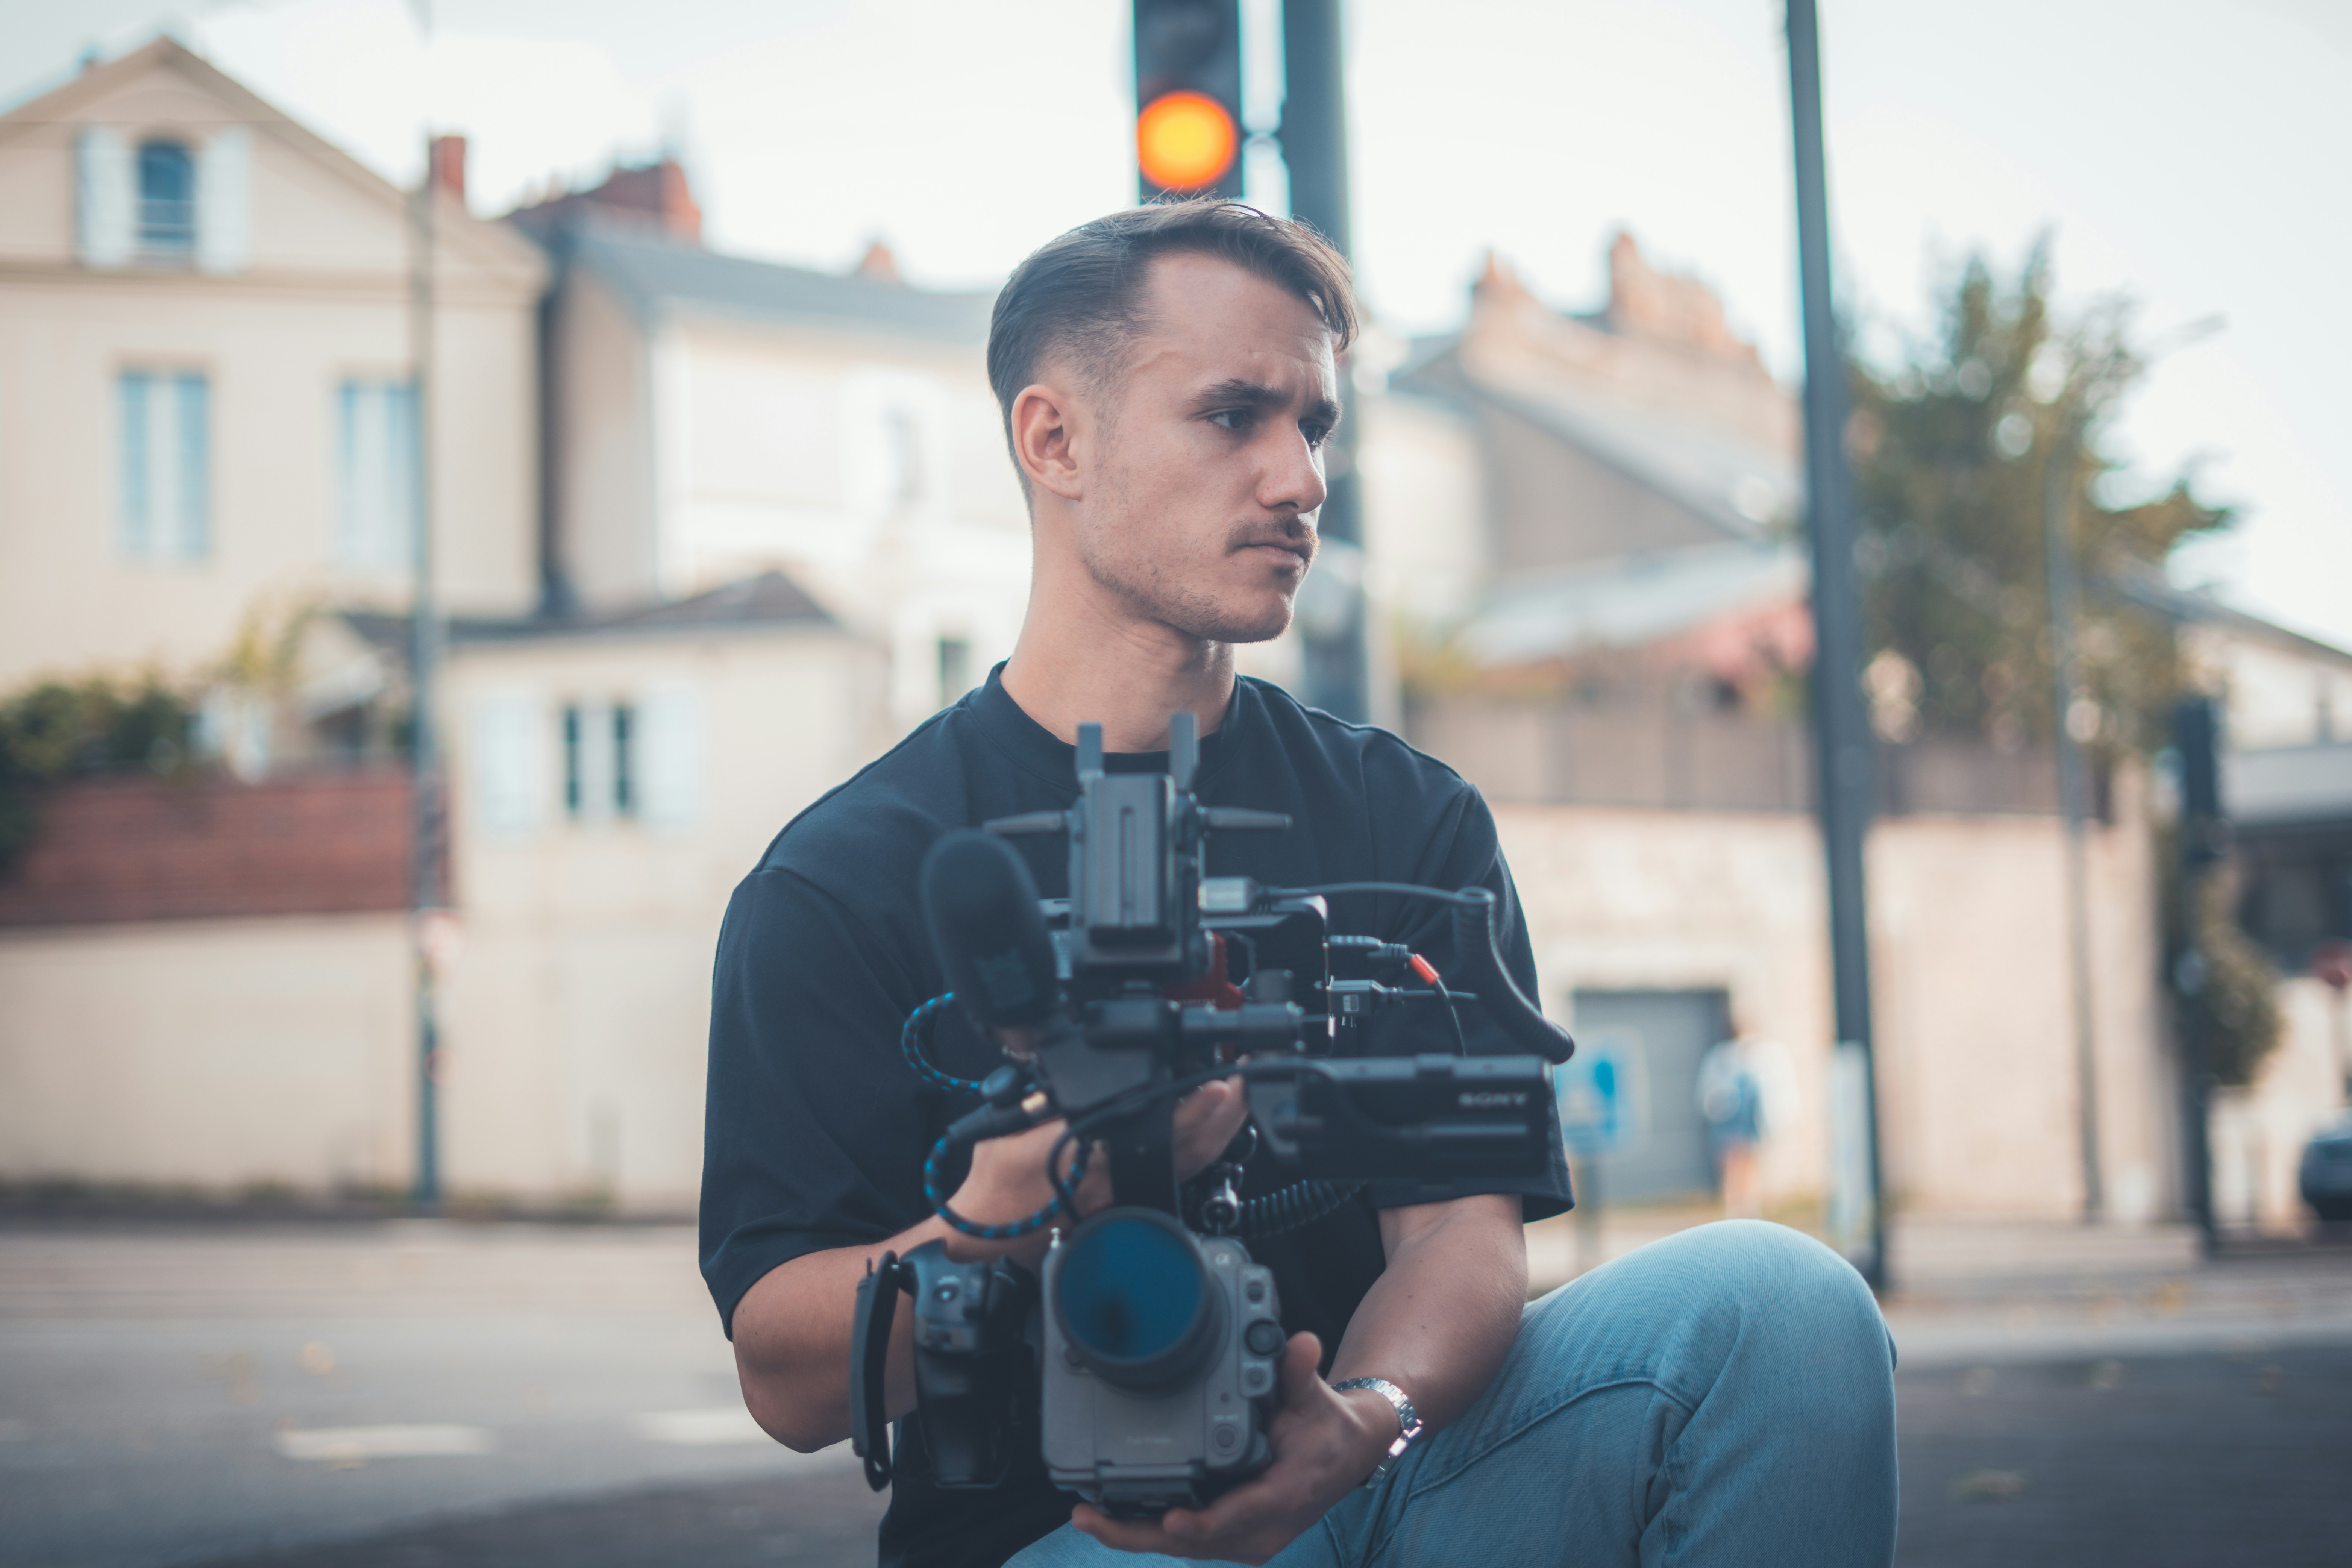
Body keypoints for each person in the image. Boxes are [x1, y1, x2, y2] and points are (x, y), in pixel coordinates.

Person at [701, 200, 1898, 1568]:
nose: (1302, 479)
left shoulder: (1408, 818)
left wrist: (1364, 1417)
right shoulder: (844, 879)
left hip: (1382, 1479)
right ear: (1055, 440)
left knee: (1782, 1306)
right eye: (1233, 416)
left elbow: (1459, 1232)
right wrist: (1028, 1197)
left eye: (1315, 425)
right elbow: (786, 1378)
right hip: (1072, 1536)